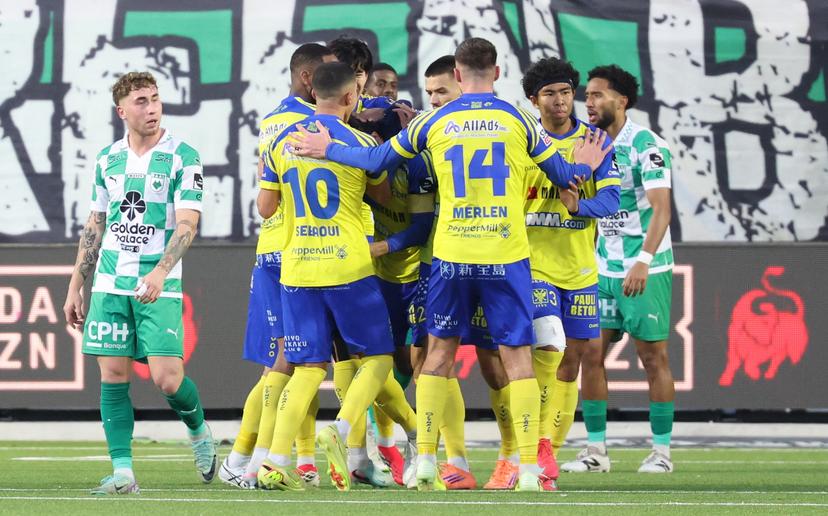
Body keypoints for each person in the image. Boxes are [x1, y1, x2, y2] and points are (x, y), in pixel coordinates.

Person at [289, 37, 610, 491]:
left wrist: (331, 148)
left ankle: (424, 463)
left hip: (452, 255)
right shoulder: (517, 119)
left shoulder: (435, 120)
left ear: (457, 76)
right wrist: (583, 166)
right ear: (496, 73)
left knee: (437, 357)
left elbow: (378, 158)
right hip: (506, 256)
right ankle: (529, 470)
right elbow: (563, 179)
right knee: (517, 359)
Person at [62, 71, 216, 495]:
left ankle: (199, 429)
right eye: (142, 102)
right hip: (110, 283)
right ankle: (124, 473)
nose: (152, 108)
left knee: (168, 379)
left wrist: (161, 271)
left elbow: (187, 223)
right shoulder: (107, 159)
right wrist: (76, 284)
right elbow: (95, 225)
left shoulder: (183, 155)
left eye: (155, 99)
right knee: (112, 375)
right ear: (122, 111)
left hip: (157, 281)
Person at [256, 62, 406, 492]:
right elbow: (379, 196)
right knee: (377, 358)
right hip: (348, 265)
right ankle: (339, 429)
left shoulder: (282, 141)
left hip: (298, 266)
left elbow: (266, 208)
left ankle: (275, 463)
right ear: (348, 98)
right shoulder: (359, 141)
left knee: (306, 369)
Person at [219, 43, 335, 490]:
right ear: (310, 80)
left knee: (288, 362)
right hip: (298, 252)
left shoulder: (272, 120)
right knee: (291, 363)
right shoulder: (311, 127)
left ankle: (258, 458)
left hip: (274, 250)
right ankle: (251, 462)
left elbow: (264, 202)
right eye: (326, 77)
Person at [561, 65, 676, 474]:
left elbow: (662, 209)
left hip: (645, 267)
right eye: (586, 96)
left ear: (621, 101)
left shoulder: (647, 145)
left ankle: (661, 452)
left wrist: (643, 261)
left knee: (653, 358)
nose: (587, 103)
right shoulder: (586, 143)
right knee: (590, 354)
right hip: (601, 269)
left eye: (596, 95)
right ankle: (596, 451)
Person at [519, 57, 620, 488]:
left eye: (565, 92)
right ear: (533, 100)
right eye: (549, 94)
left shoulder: (595, 141)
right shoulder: (522, 142)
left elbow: (612, 203)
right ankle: (532, 446)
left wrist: (579, 205)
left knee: (574, 359)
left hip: (579, 268)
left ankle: (547, 454)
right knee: (548, 346)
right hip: (534, 264)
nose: (560, 102)